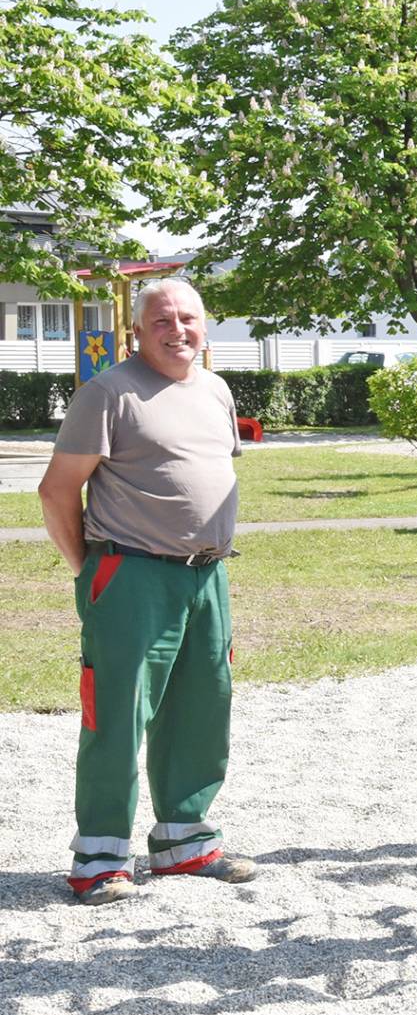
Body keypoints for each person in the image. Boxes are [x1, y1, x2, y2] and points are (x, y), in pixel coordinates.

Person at [38, 280, 259, 905]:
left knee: (201, 709)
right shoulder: (108, 394)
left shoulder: (215, 390)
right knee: (116, 715)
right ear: (137, 330)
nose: (176, 329)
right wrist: (90, 571)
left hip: (207, 575)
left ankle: (184, 842)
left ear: (205, 326)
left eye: (188, 318)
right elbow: (57, 491)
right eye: (161, 320)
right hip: (131, 574)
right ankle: (100, 858)